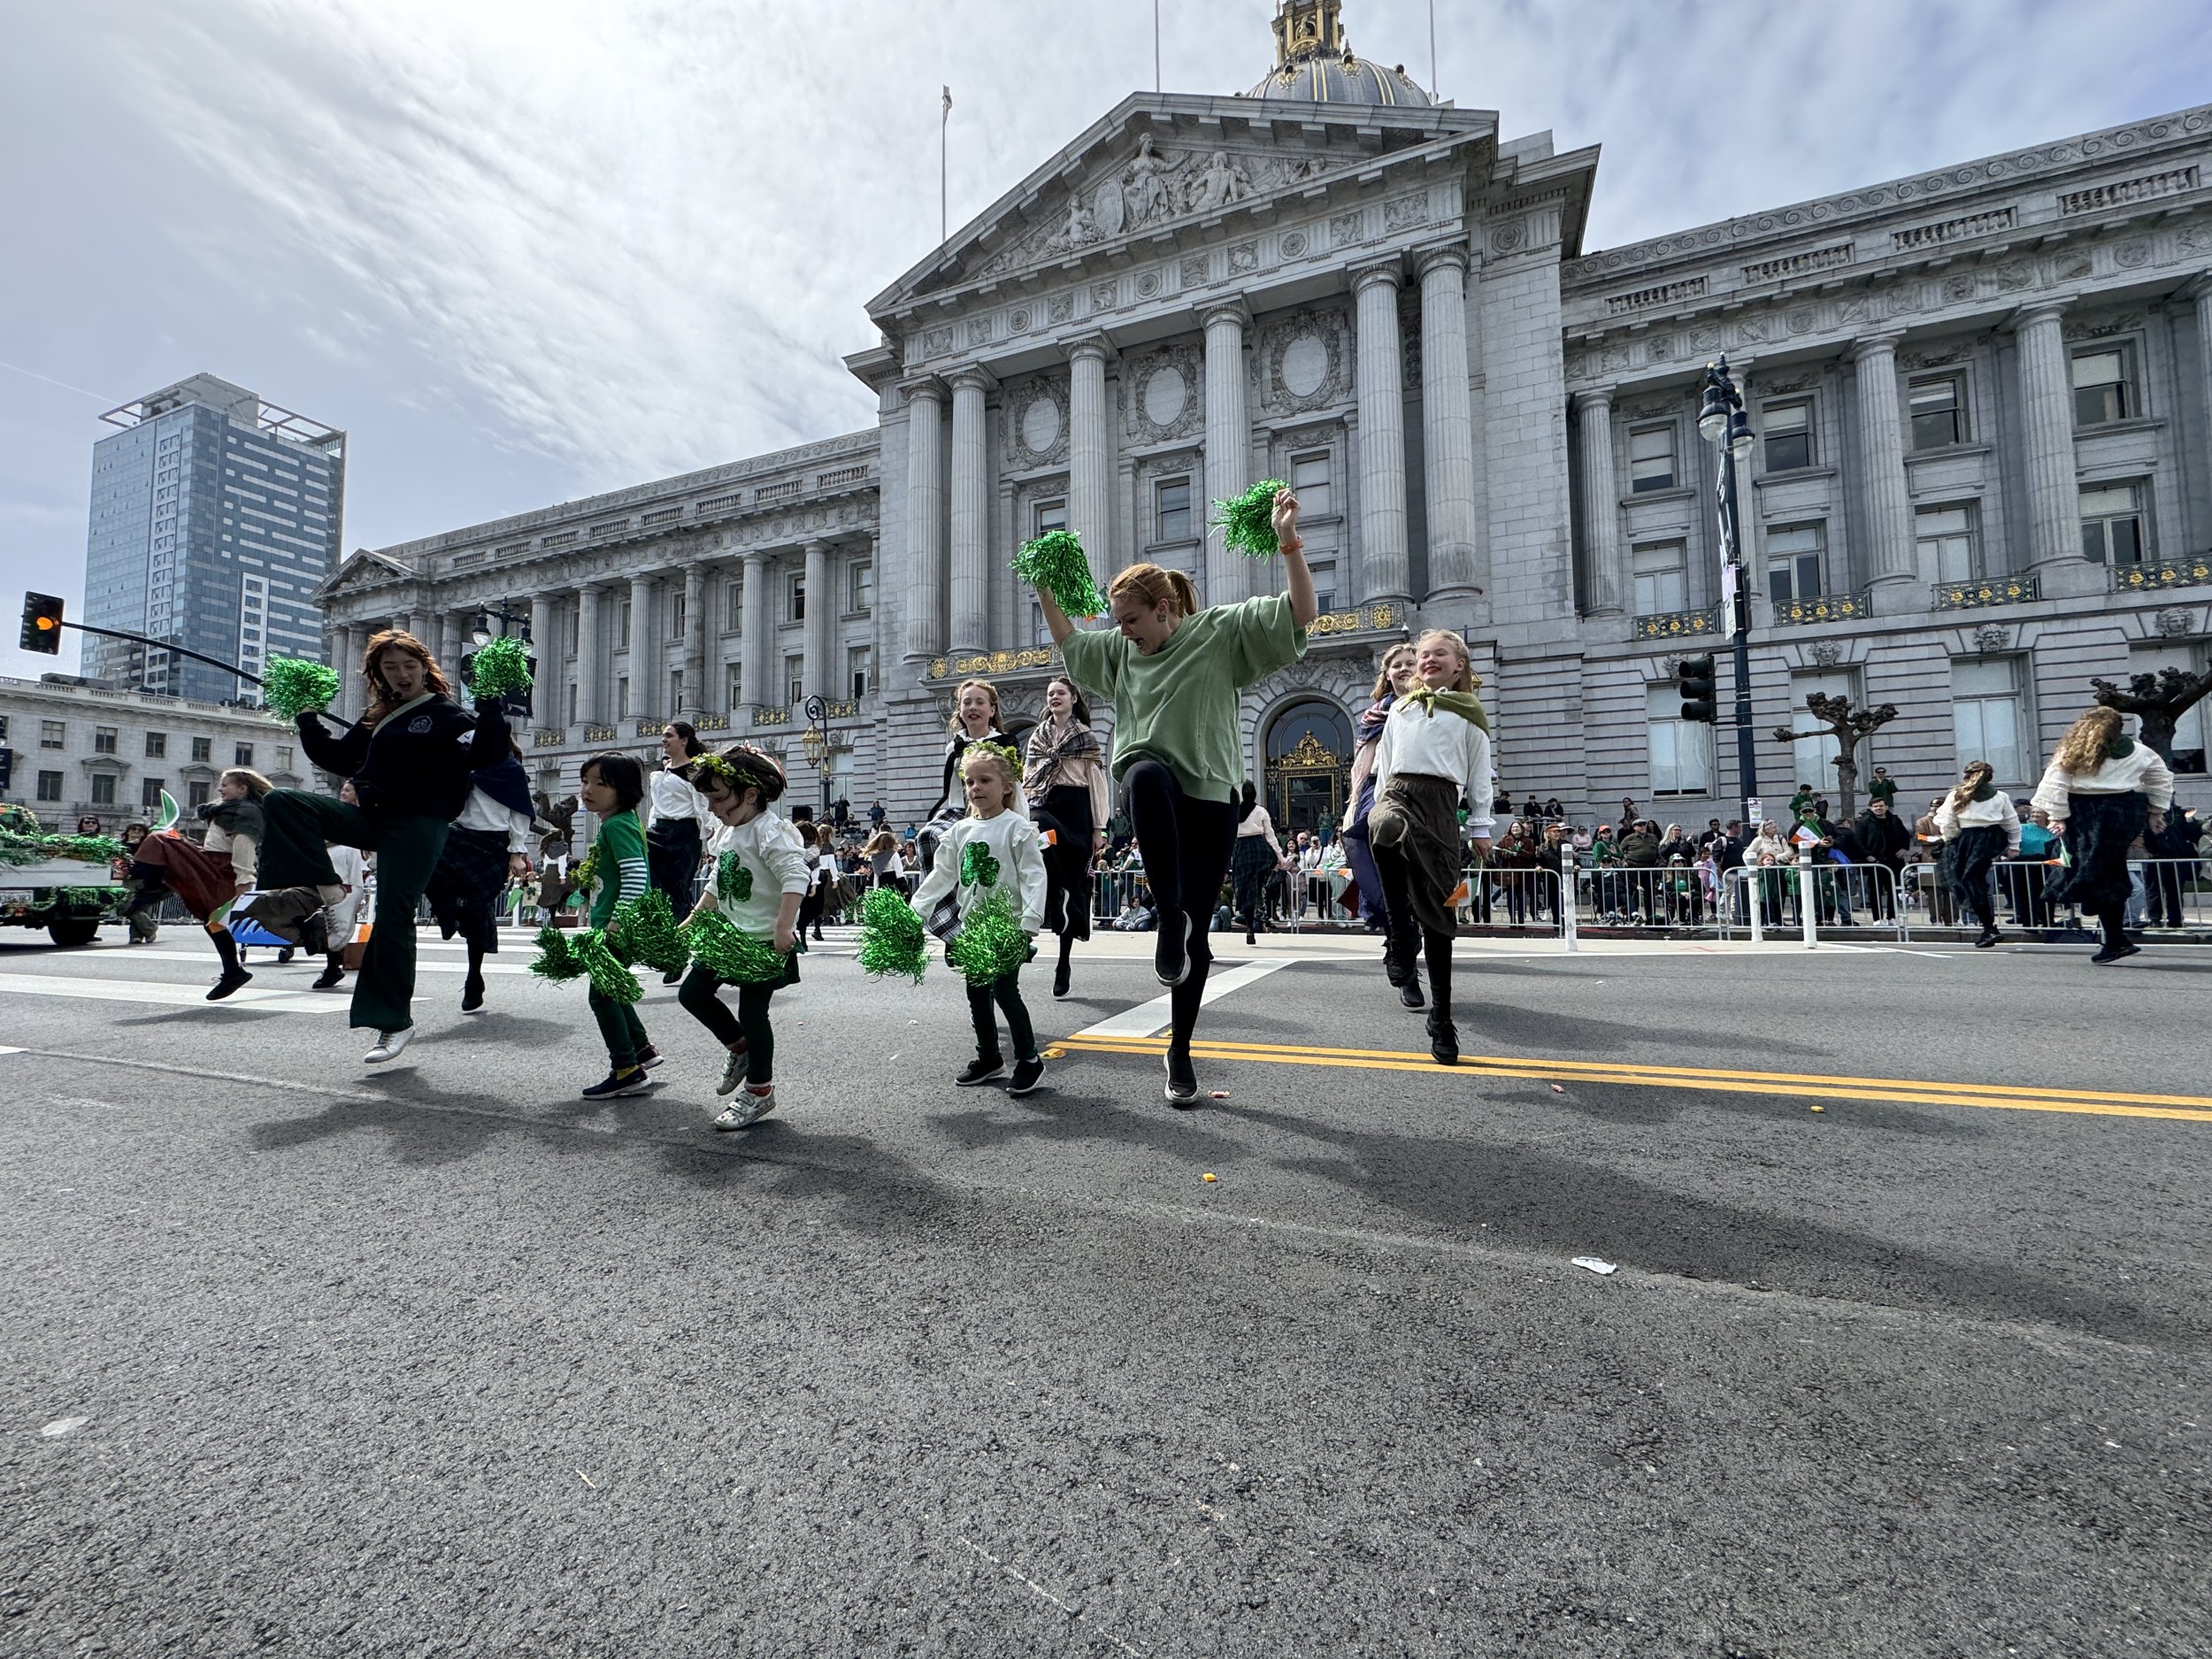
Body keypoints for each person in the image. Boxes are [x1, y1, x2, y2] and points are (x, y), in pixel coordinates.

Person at [1037, 486, 1316, 1106]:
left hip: (1212, 796)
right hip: (1155, 789)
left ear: (1163, 609)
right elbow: (1071, 644)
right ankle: (1168, 916)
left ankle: (1180, 1047)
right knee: (1143, 774)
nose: (1124, 632)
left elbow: (1300, 613)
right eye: (1119, 623)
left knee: (1198, 942)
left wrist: (1288, 542)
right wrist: (1045, 586)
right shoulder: (1121, 651)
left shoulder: (1220, 632)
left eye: (1131, 620)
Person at [255, 629, 510, 1063]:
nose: (401, 674)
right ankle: (326, 891)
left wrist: (489, 704)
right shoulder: (377, 716)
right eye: (390, 667)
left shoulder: (448, 714)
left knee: (393, 918)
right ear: (378, 673)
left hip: (419, 825)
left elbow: (486, 756)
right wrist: (307, 715)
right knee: (282, 801)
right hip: (374, 818)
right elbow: (338, 759)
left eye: (409, 665)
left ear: (425, 668)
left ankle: (394, 1022)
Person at [1369, 629, 1492, 1065]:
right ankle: (1401, 935)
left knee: (1440, 918)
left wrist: (1480, 826)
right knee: (1383, 827)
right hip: (1398, 794)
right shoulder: (1400, 709)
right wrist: (1375, 804)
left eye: (1440, 653)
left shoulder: (1469, 712)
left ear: (1459, 664)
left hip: (1440, 806)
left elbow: (1479, 773)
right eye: (1423, 654)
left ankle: (1441, 1017)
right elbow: (1385, 764)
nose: (1428, 659)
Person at [680, 746, 810, 1130]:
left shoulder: (771, 831)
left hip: (763, 941)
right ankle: (740, 1049)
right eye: (708, 800)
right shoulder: (728, 832)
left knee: (753, 1014)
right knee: (692, 993)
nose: (713, 809)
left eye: (719, 799)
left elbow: (796, 877)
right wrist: (692, 920)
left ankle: (759, 1090)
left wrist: (783, 927)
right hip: (728, 936)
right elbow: (717, 883)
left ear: (750, 794)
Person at [910, 744, 1049, 1095]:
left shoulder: (1017, 828)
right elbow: (942, 875)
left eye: (985, 780)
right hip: (973, 928)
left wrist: (1029, 921)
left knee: (1005, 991)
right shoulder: (959, 831)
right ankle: (989, 1057)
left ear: (1006, 787)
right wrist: (917, 909)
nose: (976, 788)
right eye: (970, 782)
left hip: (1008, 927)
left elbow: (1034, 876)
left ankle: (1030, 1059)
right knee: (977, 993)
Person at [2033, 707, 2176, 964]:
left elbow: (2055, 783)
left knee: (2090, 871)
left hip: (2085, 812)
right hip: (2123, 812)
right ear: (2119, 728)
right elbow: (2160, 779)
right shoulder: (2141, 751)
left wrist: (2057, 816)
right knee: (2108, 870)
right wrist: (2156, 812)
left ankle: (2107, 928)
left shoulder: (2072, 751)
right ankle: (2112, 935)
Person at [129, 768, 271, 999]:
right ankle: (233, 971)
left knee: (161, 840)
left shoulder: (246, 812)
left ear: (242, 788)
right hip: (211, 860)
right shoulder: (227, 809)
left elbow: (244, 846)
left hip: (222, 868)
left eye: (225, 785)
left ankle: (152, 888)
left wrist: (244, 878)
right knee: (213, 921)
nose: (219, 789)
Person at [425, 735, 535, 1013]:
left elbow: (520, 812)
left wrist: (517, 852)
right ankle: (447, 914)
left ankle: (474, 976)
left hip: (494, 843)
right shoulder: (465, 766)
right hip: (461, 832)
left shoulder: (510, 770)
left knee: (478, 909)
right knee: (428, 864)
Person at [574, 752, 659, 1097]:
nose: (587, 790)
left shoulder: (617, 825)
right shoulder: (618, 822)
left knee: (602, 996)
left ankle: (626, 1069)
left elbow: (636, 875)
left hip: (617, 925)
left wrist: (617, 921)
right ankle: (641, 1049)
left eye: (600, 783)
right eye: (585, 781)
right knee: (613, 989)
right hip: (615, 922)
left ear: (622, 789)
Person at [1024, 673, 1111, 998]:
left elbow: (1097, 784)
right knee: (1038, 832)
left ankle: (1063, 964)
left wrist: (1099, 827)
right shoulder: (1037, 737)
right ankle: (1048, 900)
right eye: (1050, 693)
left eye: (1060, 692)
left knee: (1075, 887)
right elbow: (1028, 779)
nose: (1054, 697)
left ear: (1074, 698)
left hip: (1077, 811)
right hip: (1046, 805)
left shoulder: (1085, 737)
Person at [1343, 644, 1419, 941]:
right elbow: (1363, 762)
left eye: (1410, 663)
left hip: (1416, 786)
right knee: (1377, 853)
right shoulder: (1373, 715)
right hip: (1376, 788)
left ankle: (1412, 921)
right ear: (1387, 674)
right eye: (1397, 665)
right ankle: (1394, 930)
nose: (1404, 669)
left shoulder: (1429, 706)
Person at [922, 680, 1012, 875]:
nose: (973, 707)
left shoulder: (1005, 744)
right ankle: (939, 893)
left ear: (992, 710)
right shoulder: (953, 748)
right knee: (927, 836)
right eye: (967, 702)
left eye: (980, 702)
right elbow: (952, 792)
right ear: (960, 711)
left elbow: (1015, 788)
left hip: (997, 811)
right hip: (960, 811)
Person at [646, 723, 711, 981]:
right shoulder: (659, 770)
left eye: (669, 736)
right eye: (663, 736)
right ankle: (662, 944)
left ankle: (678, 953)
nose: (664, 740)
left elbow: (703, 808)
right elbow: (655, 806)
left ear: (684, 740)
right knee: (654, 889)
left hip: (684, 834)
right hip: (657, 832)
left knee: (677, 893)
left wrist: (710, 841)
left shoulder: (693, 771)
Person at [1935, 761, 2020, 949]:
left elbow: (1948, 822)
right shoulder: (2000, 796)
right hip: (1992, 838)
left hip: (1969, 838)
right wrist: (2014, 845)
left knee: (1968, 881)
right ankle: (1988, 927)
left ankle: (1988, 927)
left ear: (1966, 775)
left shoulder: (1956, 795)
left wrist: (1950, 839)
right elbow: (2012, 822)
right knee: (1975, 882)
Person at [311, 786, 371, 991]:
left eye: (348, 790)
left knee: (336, 929)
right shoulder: (329, 839)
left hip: (345, 888)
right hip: (327, 885)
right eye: (343, 790)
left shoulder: (351, 841)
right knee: (330, 928)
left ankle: (333, 968)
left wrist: (356, 894)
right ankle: (332, 966)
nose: (343, 793)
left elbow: (358, 871)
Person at [1849, 795, 1914, 922]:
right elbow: (1858, 840)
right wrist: (1867, 855)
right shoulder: (1864, 822)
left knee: (1893, 890)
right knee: (1875, 891)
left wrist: (1904, 848)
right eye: (1875, 806)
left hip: (1894, 861)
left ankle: (1892, 917)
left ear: (1886, 807)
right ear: (1871, 808)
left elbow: (1905, 835)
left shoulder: (1895, 820)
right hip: (1875, 861)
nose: (1878, 808)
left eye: (1881, 806)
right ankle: (1877, 919)